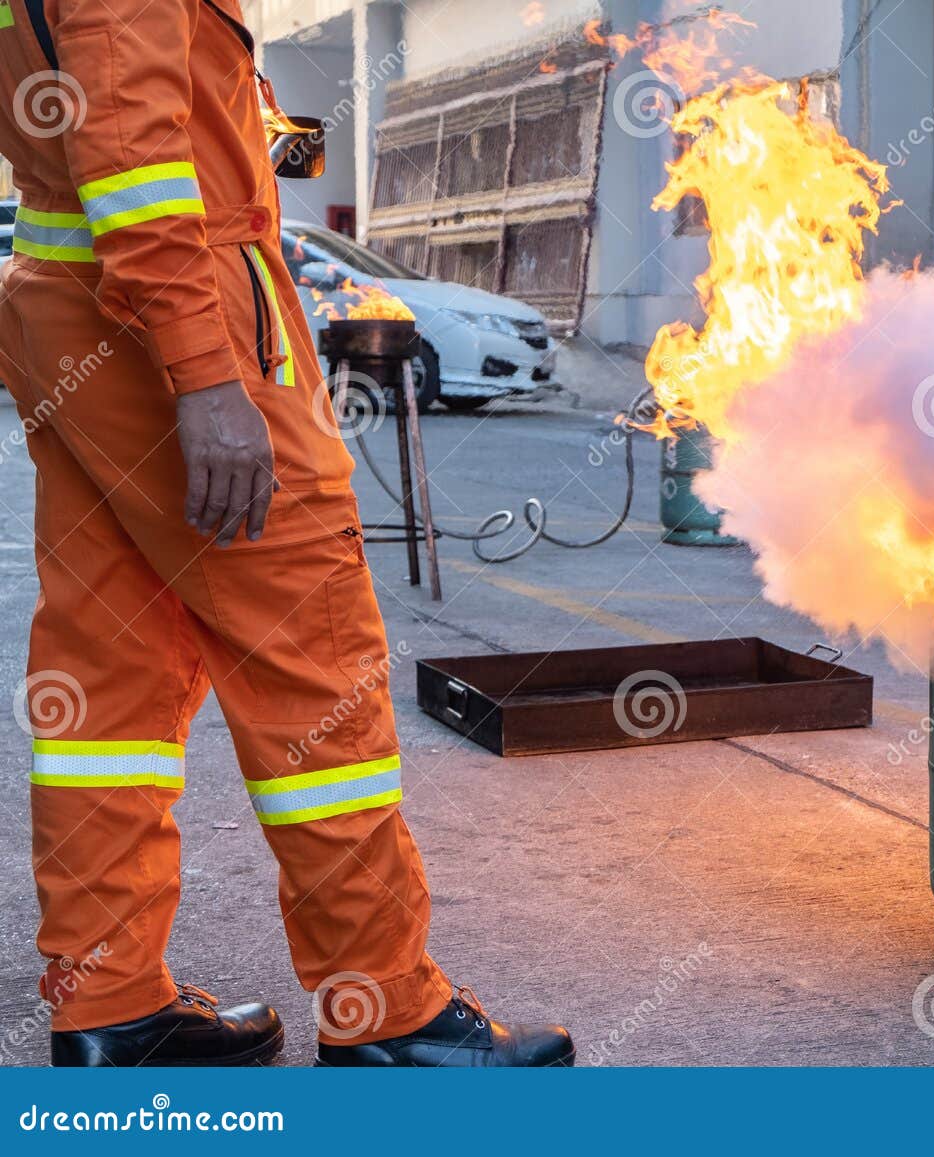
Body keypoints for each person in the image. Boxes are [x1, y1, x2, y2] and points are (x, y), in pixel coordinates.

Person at [0, 0, 572, 1066]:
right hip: (177, 322)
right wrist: (205, 375)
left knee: (108, 670)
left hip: (72, 319)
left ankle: (110, 1001)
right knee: (318, 673)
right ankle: (388, 1017)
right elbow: (134, 154)